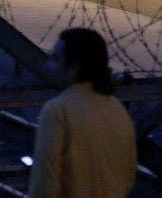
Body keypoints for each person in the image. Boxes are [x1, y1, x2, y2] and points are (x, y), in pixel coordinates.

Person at [28, 28, 137, 198]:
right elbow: (129, 177)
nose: (47, 66)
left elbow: (44, 187)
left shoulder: (57, 110)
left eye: (55, 59)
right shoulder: (118, 110)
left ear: (74, 68)